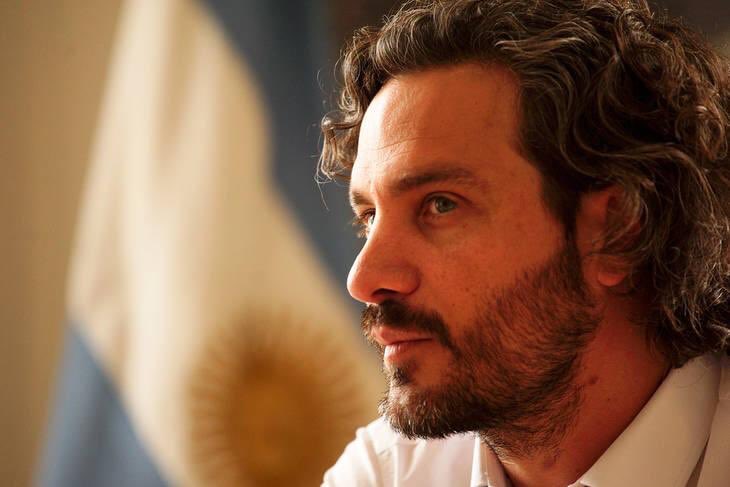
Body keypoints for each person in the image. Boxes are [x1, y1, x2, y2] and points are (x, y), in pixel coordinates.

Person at [318, 0, 730, 485]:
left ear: (618, 232)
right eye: (369, 217)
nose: (363, 280)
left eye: (441, 205)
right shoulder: (385, 474)